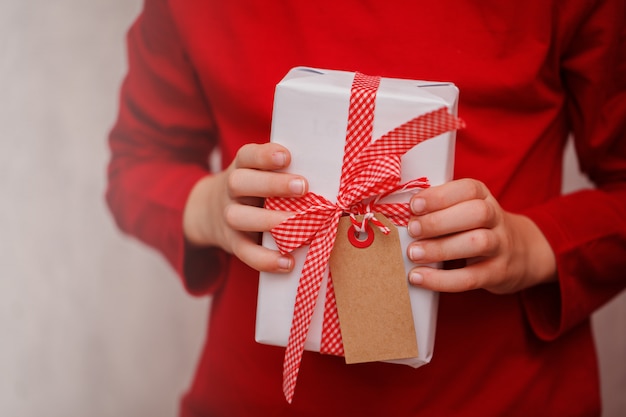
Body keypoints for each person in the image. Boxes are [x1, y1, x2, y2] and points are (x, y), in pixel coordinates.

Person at [106, 0, 626, 416]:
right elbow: (138, 161)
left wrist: (534, 245)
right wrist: (209, 208)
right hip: (254, 396)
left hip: (501, 392)